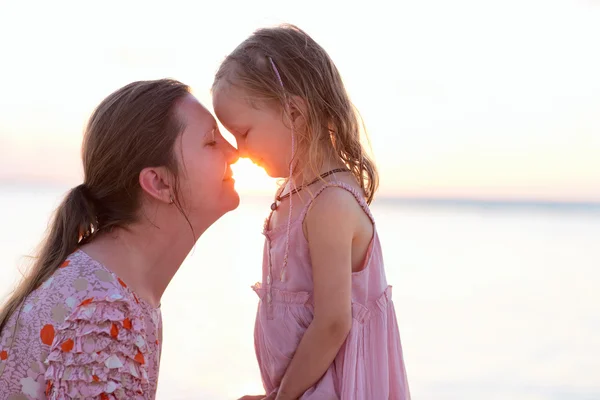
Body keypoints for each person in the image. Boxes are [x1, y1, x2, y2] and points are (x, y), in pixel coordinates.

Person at [0, 79, 239, 399]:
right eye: (211, 142)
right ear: (159, 182)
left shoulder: (113, 287)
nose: (235, 152)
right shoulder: (104, 311)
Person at [213, 25, 411, 399]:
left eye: (244, 132)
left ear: (294, 113)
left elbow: (333, 323)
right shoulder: (293, 192)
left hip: (339, 387)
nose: (238, 149)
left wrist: (283, 397)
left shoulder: (329, 204)